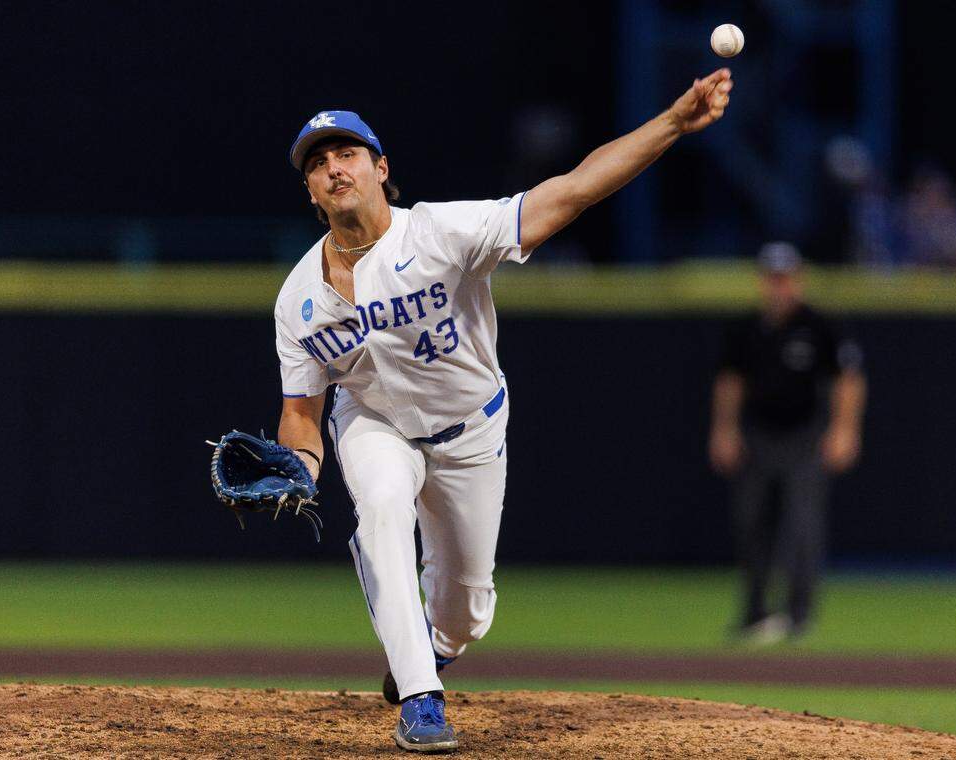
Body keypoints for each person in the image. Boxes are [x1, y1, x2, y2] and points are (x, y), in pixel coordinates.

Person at [275, 68, 734, 753]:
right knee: (380, 511)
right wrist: (299, 468)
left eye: (345, 154)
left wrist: (671, 122)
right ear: (310, 189)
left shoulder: (440, 232)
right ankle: (422, 701)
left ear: (380, 169)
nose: (332, 168)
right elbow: (303, 414)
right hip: (374, 422)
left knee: (466, 610)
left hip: (471, 430)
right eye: (317, 163)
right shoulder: (297, 299)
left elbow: (573, 190)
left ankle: (430, 648)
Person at [709, 242, 866, 644]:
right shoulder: (746, 327)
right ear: (763, 281)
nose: (780, 286)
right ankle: (755, 613)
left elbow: (848, 379)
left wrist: (844, 430)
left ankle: (798, 616)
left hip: (805, 436)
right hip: (758, 434)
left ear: (799, 279)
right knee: (750, 522)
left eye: (786, 278)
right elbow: (730, 381)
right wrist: (724, 430)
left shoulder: (820, 324)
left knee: (802, 525)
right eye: (773, 278)